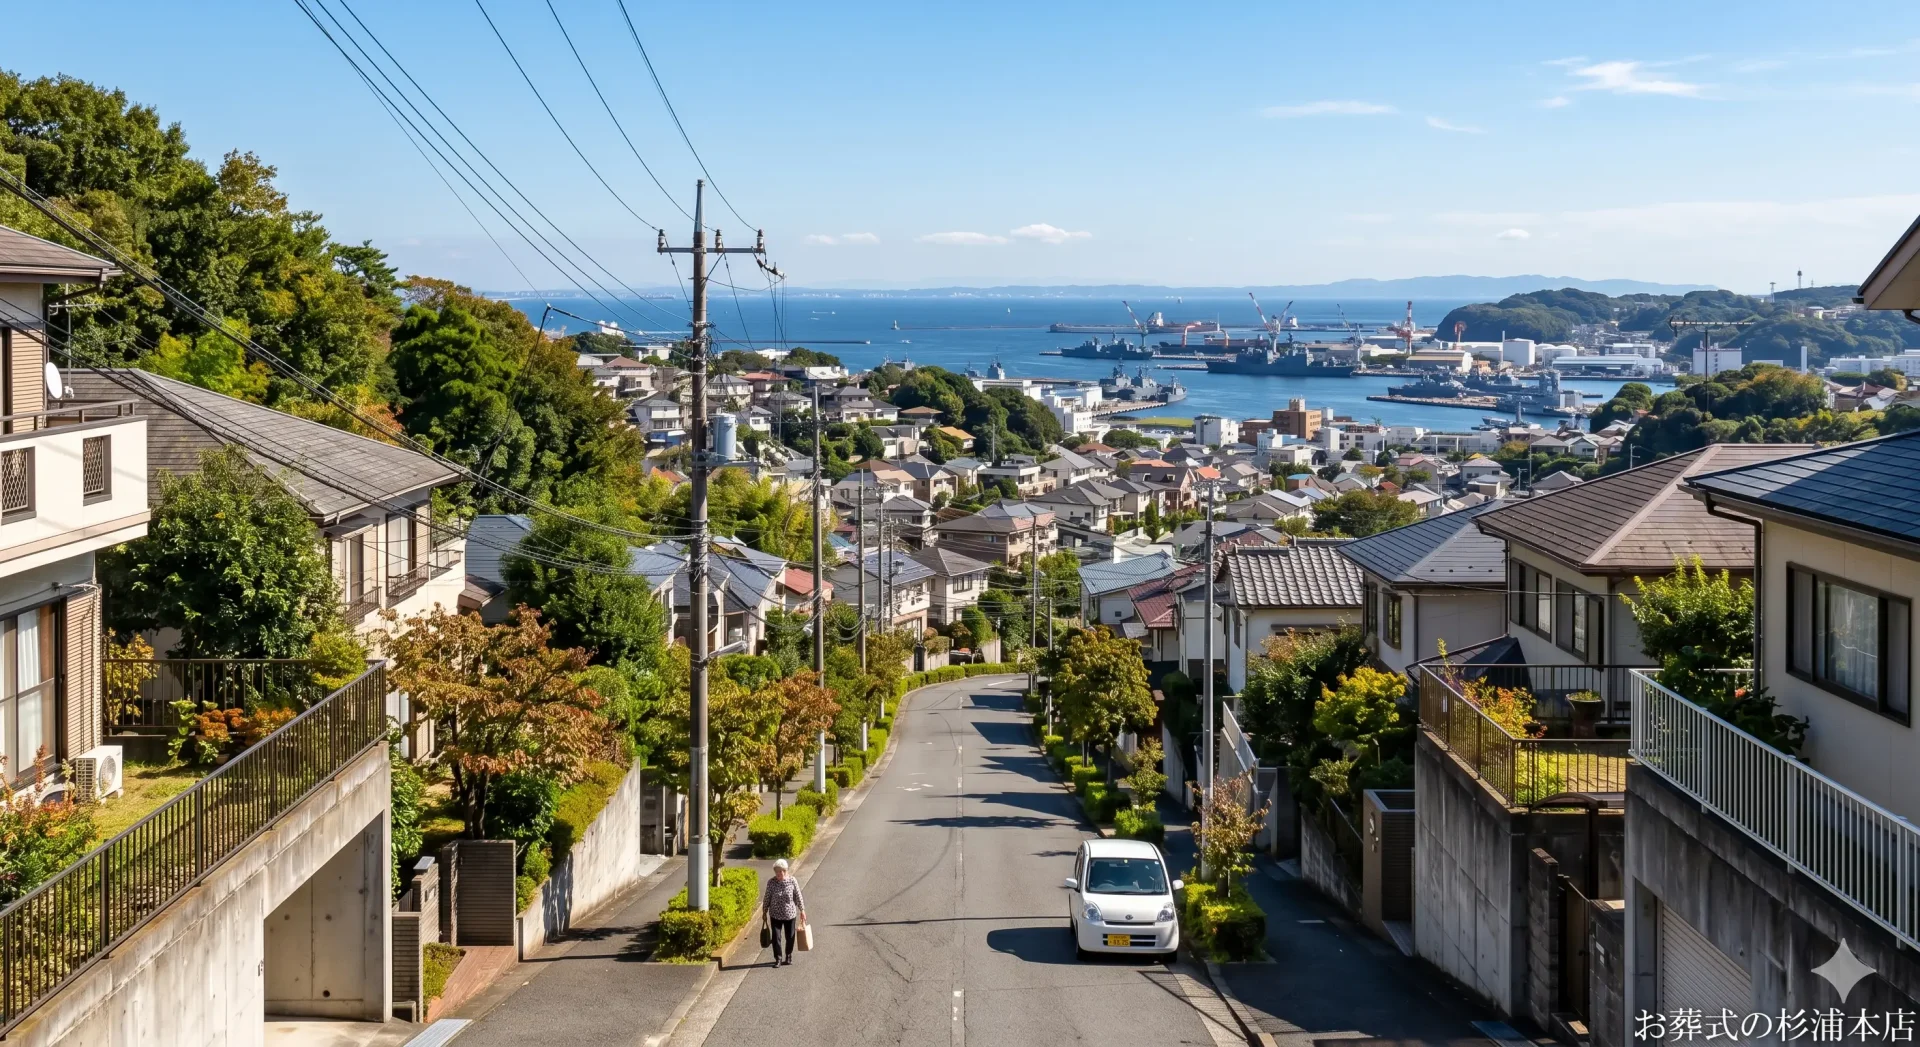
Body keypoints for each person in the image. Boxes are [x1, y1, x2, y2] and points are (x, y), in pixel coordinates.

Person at [763, 858, 806, 967]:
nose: (778, 874)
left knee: (790, 937)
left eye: (780, 871)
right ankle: (778, 958)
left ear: (785, 871)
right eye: (776, 872)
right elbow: (767, 897)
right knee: (776, 938)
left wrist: (802, 910)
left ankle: (788, 955)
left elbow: (798, 896)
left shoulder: (792, 881)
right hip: (775, 915)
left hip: (790, 914)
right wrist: (764, 911)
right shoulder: (771, 882)